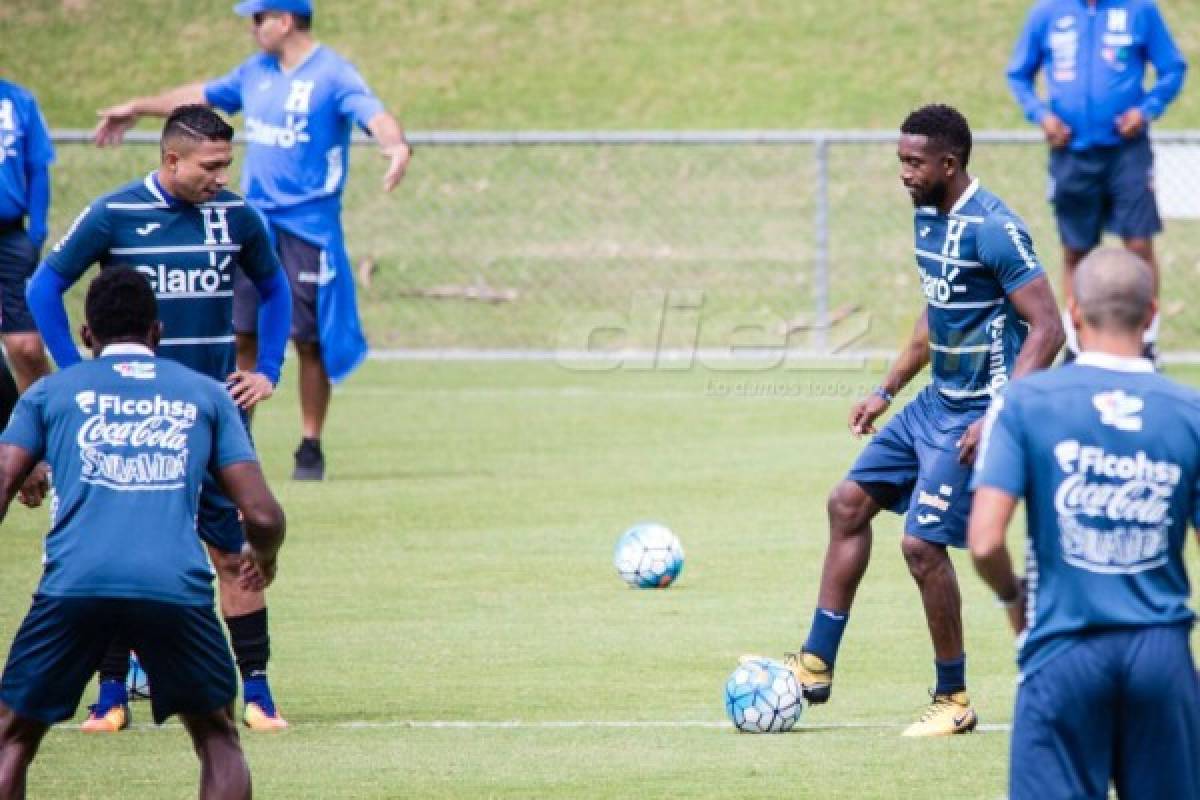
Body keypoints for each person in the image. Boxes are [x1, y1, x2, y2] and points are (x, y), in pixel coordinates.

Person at [747, 105, 1064, 736]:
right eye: (900, 160)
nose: (903, 173)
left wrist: (1002, 414)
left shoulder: (994, 227)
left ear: (950, 164)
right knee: (846, 505)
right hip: (932, 404)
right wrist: (886, 388)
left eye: (913, 162)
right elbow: (936, 314)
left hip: (978, 411)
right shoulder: (927, 219)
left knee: (921, 544)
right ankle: (814, 665)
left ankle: (954, 699)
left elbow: (1048, 327)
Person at [26, 105, 293, 731]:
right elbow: (44, 287)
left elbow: (275, 288)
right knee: (122, 546)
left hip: (215, 417)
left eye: (228, 164)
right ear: (171, 159)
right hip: (130, 417)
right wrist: (77, 371)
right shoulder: (114, 213)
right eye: (211, 165)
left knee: (233, 551)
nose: (222, 177)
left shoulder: (236, 217)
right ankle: (111, 694)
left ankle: (256, 690)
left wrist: (268, 370)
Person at [92, 0, 412, 481]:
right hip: (254, 222)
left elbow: (374, 114)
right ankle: (239, 439)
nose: (252, 29)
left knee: (309, 341)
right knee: (242, 331)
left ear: (284, 21)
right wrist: (138, 107)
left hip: (308, 225)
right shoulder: (255, 72)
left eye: (258, 20)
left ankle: (310, 444)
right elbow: (200, 95)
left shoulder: (332, 73)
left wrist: (396, 146)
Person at [0, 267, 286, 800]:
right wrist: (262, 557)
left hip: (74, 585)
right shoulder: (204, 394)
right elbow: (264, 515)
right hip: (173, 586)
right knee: (217, 737)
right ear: (157, 333)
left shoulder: (48, 394)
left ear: (87, 336)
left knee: (12, 737)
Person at [970, 247, 1200, 799]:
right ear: (1151, 314)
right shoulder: (1188, 410)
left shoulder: (1024, 403)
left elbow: (983, 541)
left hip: (1063, 648)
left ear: (1072, 311)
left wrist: (1011, 599)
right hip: (1161, 655)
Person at [1007, 0, 1187, 364]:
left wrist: (1146, 109)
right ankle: (1077, 343)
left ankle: (1145, 343)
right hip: (1071, 153)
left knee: (1138, 245)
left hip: (1127, 153)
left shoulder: (1140, 10)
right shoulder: (1047, 13)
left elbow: (1172, 69)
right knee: (1075, 251)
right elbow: (1018, 74)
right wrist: (1041, 115)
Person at [0, 78, 54, 405]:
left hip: (10, 237)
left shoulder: (19, 100)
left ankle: (49, 437)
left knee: (28, 348)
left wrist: (37, 231)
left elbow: (38, 166)